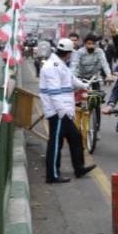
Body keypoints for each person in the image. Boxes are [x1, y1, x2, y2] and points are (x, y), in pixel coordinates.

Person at [39, 37, 96, 184]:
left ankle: (79, 168)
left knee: (76, 137)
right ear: (69, 53)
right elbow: (54, 92)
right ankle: (52, 175)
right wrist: (62, 112)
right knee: (56, 143)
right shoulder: (52, 66)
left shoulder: (60, 64)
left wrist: (84, 85)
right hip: (58, 112)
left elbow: (71, 80)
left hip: (63, 111)